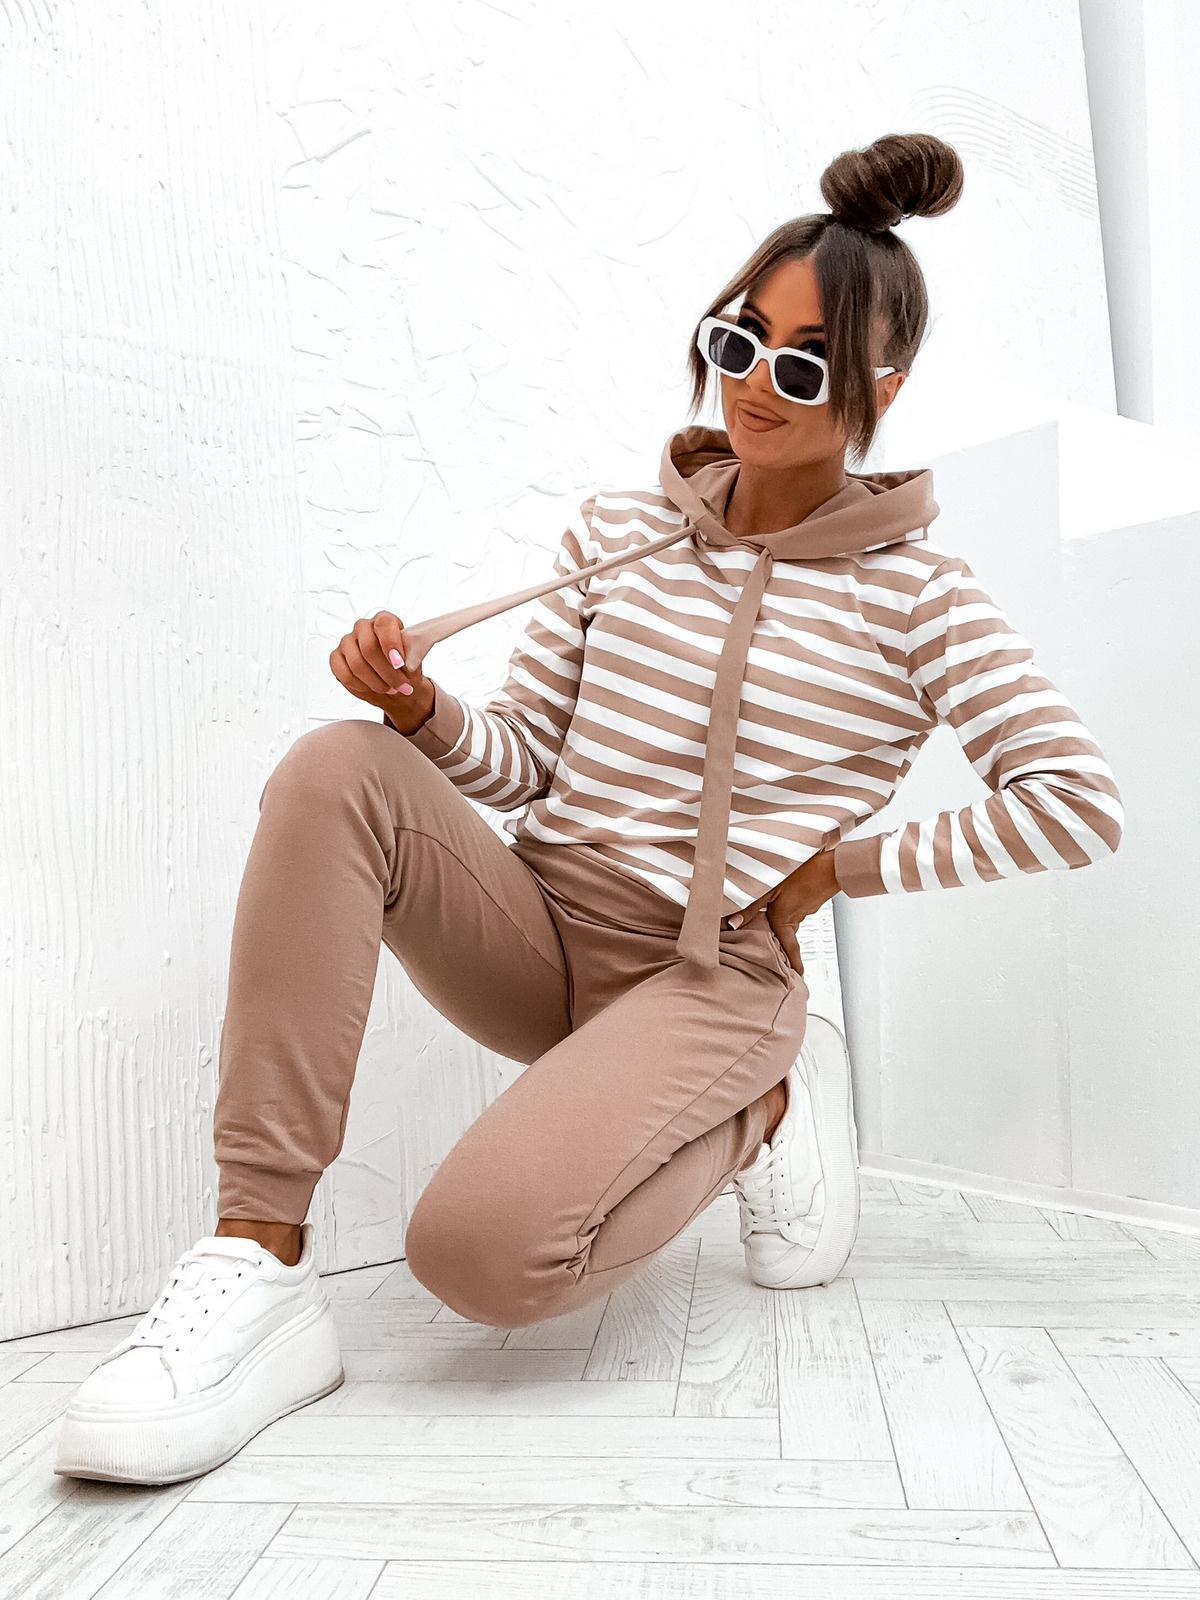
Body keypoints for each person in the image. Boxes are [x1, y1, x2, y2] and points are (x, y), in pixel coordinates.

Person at [54, 131, 1124, 1486]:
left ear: (883, 387)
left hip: (713, 978)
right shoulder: (617, 535)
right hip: (542, 931)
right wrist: (420, 712)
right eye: (739, 341)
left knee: (479, 1258)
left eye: (805, 366)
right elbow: (521, 766)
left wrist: (834, 873)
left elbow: (1076, 801)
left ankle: (769, 1100)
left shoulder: (923, 598)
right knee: (336, 767)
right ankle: (256, 1262)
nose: (756, 385)